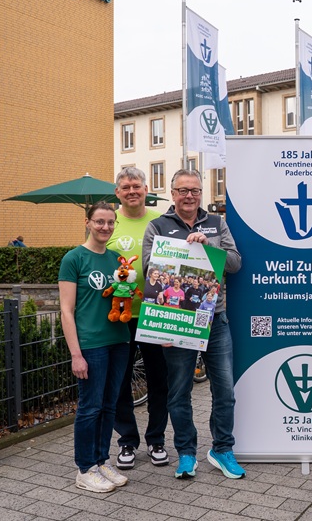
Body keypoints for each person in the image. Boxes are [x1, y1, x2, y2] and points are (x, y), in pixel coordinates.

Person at [142, 169, 245, 480]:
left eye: (195, 190)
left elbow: (236, 262)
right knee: (178, 391)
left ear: (201, 193)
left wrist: (207, 249)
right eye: (183, 190)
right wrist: (183, 252)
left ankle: (222, 449)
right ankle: (186, 453)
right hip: (177, 321)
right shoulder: (157, 226)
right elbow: (149, 269)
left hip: (216, 318)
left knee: (224, 389)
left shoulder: (217, 223)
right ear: (172, 194)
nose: (189, 195)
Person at [58, 201, 131, 493]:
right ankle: (85, 467)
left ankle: (102, 460)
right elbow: (66, 310)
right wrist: (76, 354)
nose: (105, 227)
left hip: (119, 340)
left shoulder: (117, 259)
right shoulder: (73, 258)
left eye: (111, 222)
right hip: (91, 344)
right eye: (99, 221)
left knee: (110, 404)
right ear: (87, 222)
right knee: (90, 407)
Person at [107, 167, 171, 470]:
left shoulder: (159, 223)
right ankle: (127, 442)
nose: (132, 191)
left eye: (137, 186)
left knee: (159, 379)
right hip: (120, 316)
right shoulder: (109, 223)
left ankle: (156, 439)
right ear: (117, 192)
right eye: (125, 187)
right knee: (119, 379)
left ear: (146, 189)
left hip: (155, 313)